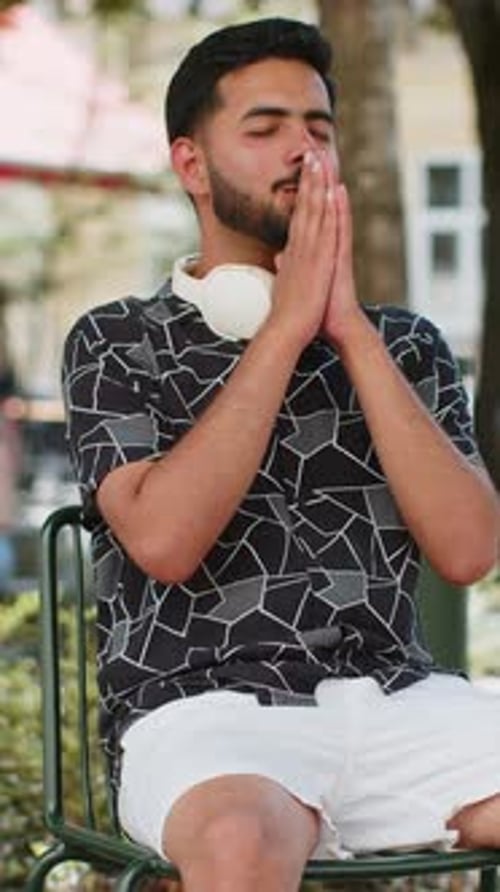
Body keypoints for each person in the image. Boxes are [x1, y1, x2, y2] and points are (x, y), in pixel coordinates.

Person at [62, 17, 500, 892]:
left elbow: (469, 551)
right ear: (192, 165)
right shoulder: (119, 341)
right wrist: (285, 326)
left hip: (401, 702)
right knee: (239, 846)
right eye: (265, 130)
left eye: (319, 129)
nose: (303, 150)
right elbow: (164, 542)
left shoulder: (403, 345)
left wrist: (346, 331)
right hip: (203, 714)